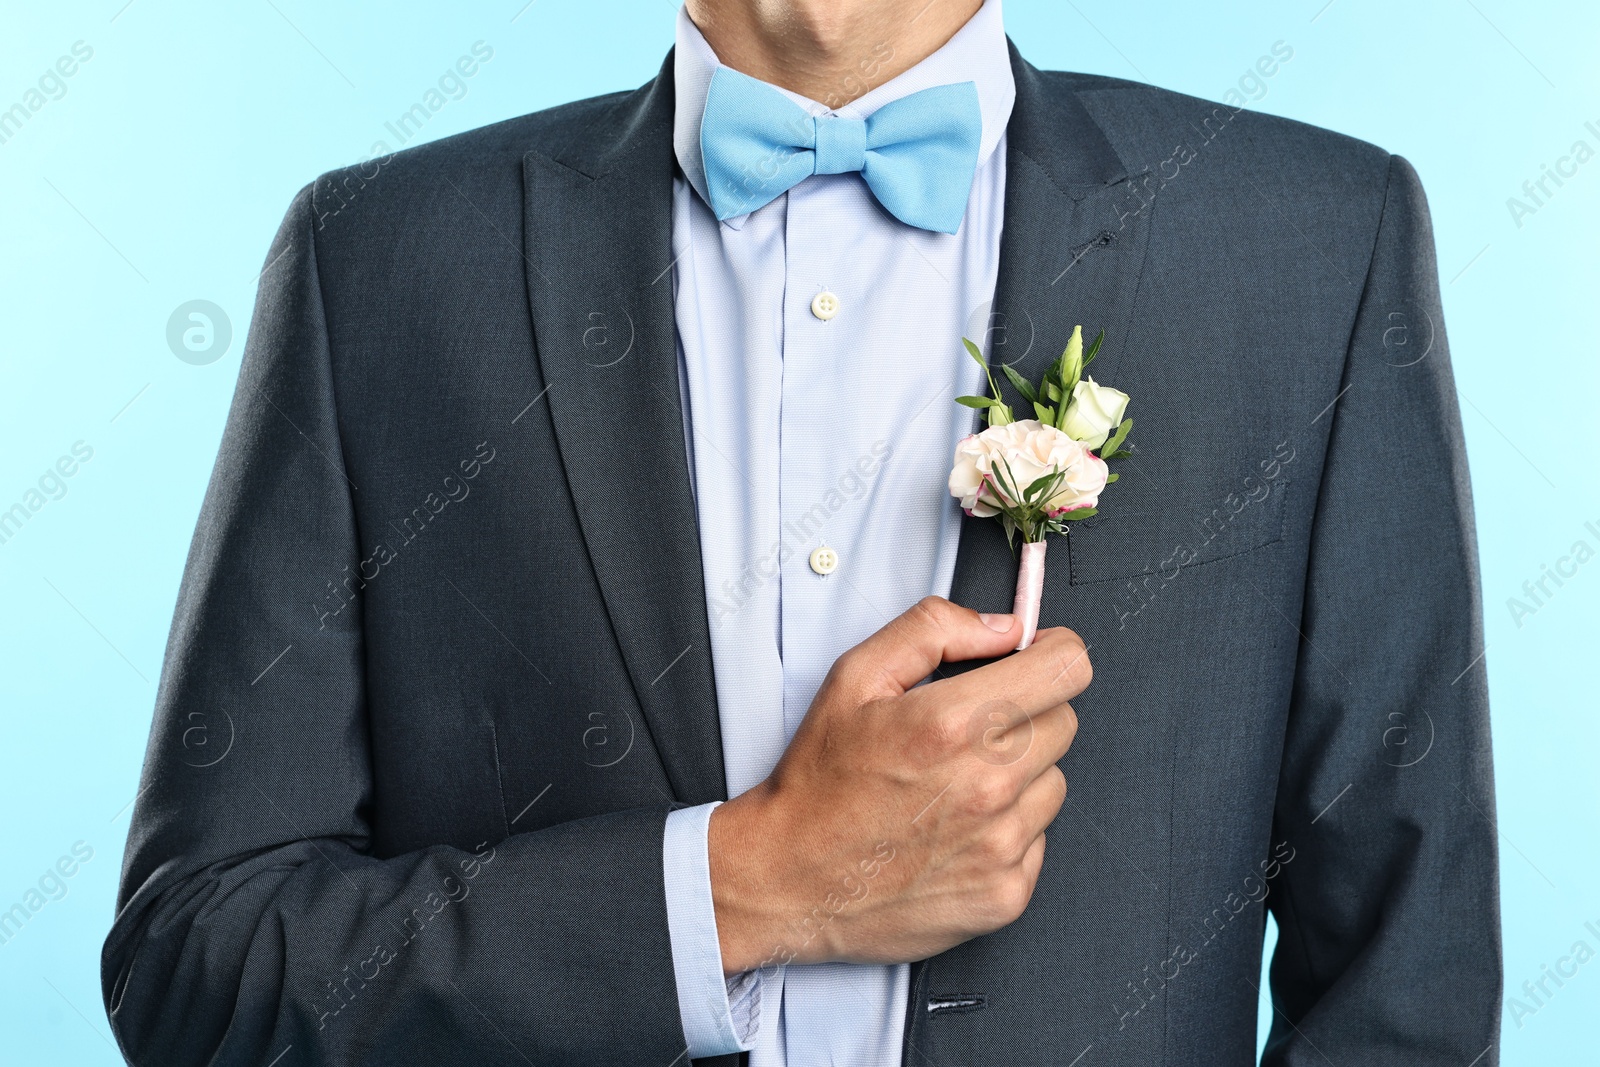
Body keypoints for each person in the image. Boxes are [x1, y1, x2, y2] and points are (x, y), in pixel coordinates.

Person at [102, 0, 1501, 1064]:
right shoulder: (380, 260)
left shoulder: (1316, 242)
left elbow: (1407, 976)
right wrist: (738, 891)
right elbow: (194, 962)